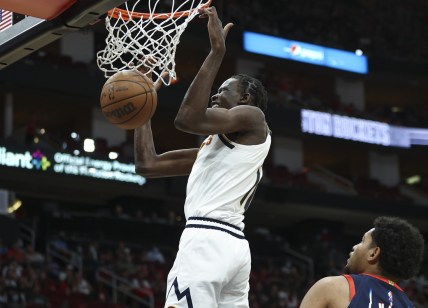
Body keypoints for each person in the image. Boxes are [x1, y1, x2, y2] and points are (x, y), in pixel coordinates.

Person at [134, 6, 271, 307]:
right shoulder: (215, 152)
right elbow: (148, 165)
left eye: (223, 91)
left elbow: (187, 119)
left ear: (244, 99)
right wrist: (142, 108)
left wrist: (217, 52)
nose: (214, 95)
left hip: (207, 239)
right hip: (232, 247)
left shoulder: (253, 117)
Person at [300, 216, 425, 307]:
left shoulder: (332, 286)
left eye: (362, 241)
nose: (355, 247)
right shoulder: (409, 305)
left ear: (373, 253)